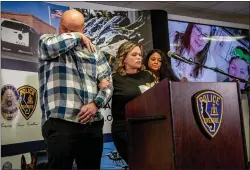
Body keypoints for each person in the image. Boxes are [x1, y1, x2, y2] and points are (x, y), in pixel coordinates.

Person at [38, 9, 113, 169]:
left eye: (75, 30)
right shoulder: (47, 41)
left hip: (92, 124)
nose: (67, 33)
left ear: (83, 28)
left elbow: (108, 83)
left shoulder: (95, 52)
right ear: (60, 25)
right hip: (61, 122)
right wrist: (78, 36)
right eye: (65, 29)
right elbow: (50, 46)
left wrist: (96, 104)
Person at [111, 41, 157, 164]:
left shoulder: (148, 75)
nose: (138, 57)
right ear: (124, 58)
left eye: (140, 55)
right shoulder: (114, 78)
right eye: (134, 55)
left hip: (149, 128)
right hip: (125, 130)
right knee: (138, 164)